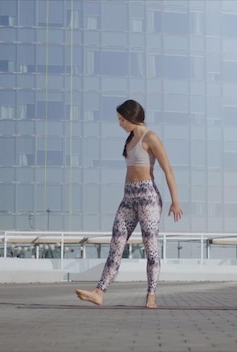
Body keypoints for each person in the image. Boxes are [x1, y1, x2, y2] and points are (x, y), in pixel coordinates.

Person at [76, 99, 183, 309]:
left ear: (132, 117)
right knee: (116, 245)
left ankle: (151, 295)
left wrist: (175, 201)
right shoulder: (129, 139)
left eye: (122, 119)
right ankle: (99, 292)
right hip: (128, 197)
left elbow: (167, 170)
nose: (120, 124)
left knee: (150, 247)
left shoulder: (150, 136)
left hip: (148, 197)